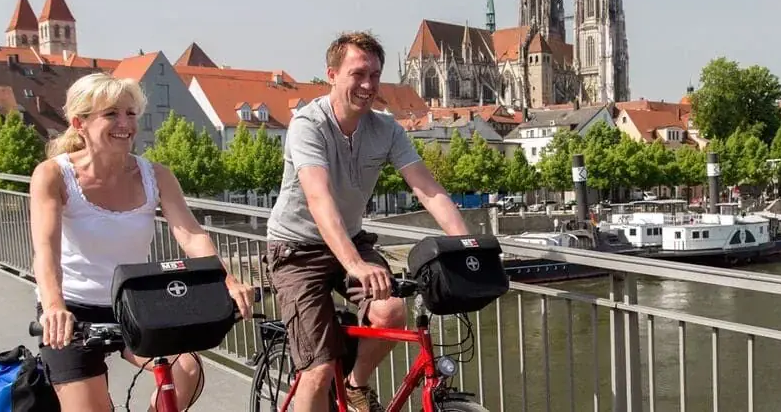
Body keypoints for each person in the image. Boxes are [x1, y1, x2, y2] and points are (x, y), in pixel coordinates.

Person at [266, 31, 470, 412]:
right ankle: (329, 375)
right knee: (318, 369)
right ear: (332, 74)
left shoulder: (387, 128)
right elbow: (318, 199)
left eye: (375, 75)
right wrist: (356, 265)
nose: (368, 84)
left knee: (391, 311)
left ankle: (356, 385)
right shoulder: (307, 124)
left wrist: (467, 247)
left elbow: (426, 187)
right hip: (297, 250)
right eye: (358, 74)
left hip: (351, 240)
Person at [29, 72, 258, 411]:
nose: (125, 123)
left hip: (134, 303)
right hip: (73, 310)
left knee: (187, 369)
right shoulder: (53, 175)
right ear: (80, 123)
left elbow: (190, 233)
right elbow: (46, 250)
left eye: (130, 113)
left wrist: (227, 279)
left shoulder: (156, 175)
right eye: (111, 114)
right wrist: (53, 307)